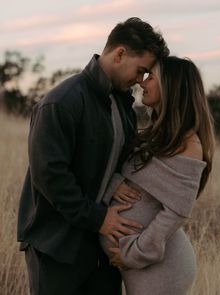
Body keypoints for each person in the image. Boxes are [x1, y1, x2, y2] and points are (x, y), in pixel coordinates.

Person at [17, 17, 169, 295]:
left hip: (100, 250)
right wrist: (99, 218)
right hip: (57, 246)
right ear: (120, 53)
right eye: (140, 70)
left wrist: (117, 179)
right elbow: (50, 177)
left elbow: (114, 160)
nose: (139, 80)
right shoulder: (61, 102)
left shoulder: (122, 104)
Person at [100, 56, 215, 295]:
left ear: (171, 86)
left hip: (160, 266)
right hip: (139, 263)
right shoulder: (156, 135)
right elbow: (126, 176)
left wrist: (134, 253)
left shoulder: (188, 144)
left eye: (151, 77)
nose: (142, 82)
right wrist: (115, 185)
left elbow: (176, 212)